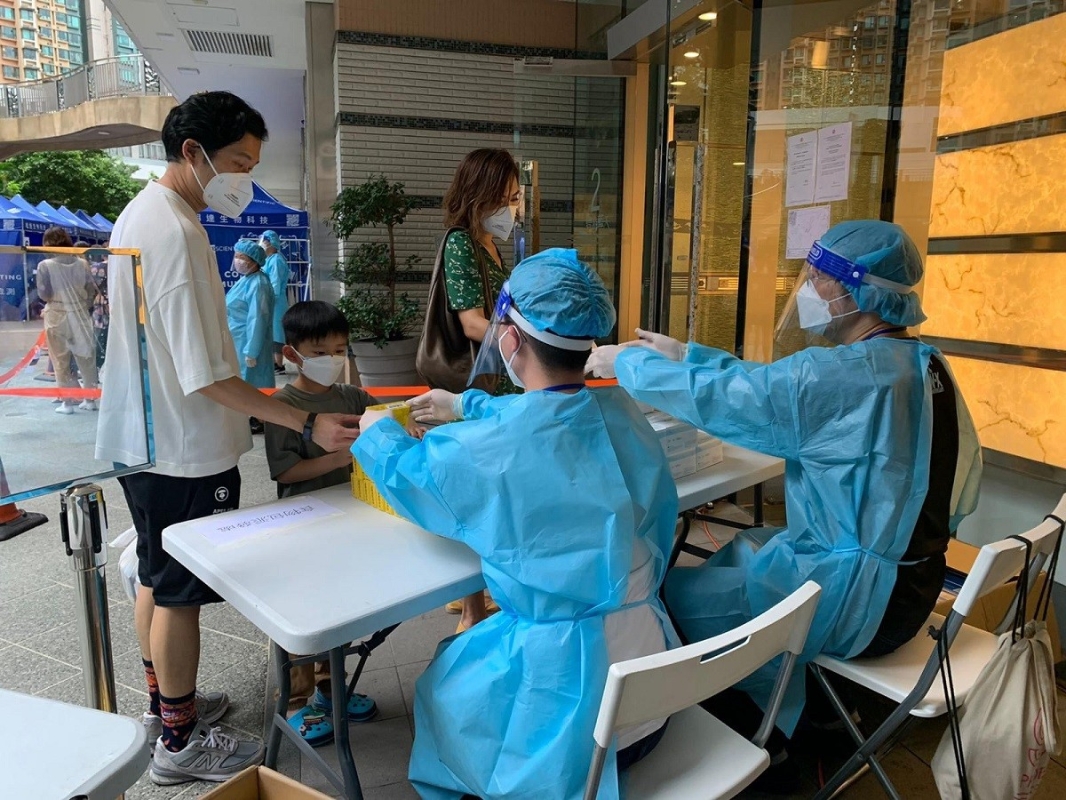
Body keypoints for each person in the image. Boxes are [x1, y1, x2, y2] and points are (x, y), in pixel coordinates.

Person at [587, 220, 982, 757]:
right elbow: (774, 390)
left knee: (666, 601)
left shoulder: (841, 376)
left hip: (856, 605)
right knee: (747, 545)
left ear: (856, 291)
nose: (808, 291)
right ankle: (802, 696)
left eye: (818, 279)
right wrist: (687, 356)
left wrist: (631, 363)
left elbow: (740, 399)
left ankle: (767, 723)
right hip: (916, 585)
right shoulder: (924, 363)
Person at [96, 90, 360, 786]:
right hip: (181, 449)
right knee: (179, 593)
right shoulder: (176, 232)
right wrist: (305, 420)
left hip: (145, 436)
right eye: (239, 163)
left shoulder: (146, 214)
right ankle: (179, 745)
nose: (244, 178)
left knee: (156, 573)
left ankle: (166, 708)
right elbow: (207, 375)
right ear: (193, 153)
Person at [355, 249, 679, 800]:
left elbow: (414, 476)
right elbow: (550, 413)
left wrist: (374, 431)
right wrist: (469, 405)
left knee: (442, 684)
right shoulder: (623, 413)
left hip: (574, 729)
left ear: (509, 339)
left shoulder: (484, 453)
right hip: (653, 697)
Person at [263, 300, 380, 746]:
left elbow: (384, 419)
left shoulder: (352, 396)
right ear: (292, 353)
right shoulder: (285, 406)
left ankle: (332, 690)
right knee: (302, 613)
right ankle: (297, 699)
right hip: (303, 528)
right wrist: (340, 457)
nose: (332, 359)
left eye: (339, 350)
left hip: (349, 520)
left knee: (340, 609)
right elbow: (287, 472)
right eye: (319, 352)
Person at [436, 147, 522, 632]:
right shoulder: (461, 243)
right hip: (480, 384)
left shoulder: (489, 243)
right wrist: (527, 343)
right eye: (504, 197)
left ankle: (478, 593)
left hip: (500, 381)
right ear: (479, 194)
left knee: (494, 491)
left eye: (514, 198)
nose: (511, 208)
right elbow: (471, 323)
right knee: (478, 493)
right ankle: (470, 612)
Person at [35, 227, 99, 414]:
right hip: (80, 313)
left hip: (56, 314)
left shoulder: (45, 265)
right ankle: (90, 399)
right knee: (86, 359)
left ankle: (67, 402)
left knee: (60, 361)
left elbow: (44, 294)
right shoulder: (82, 263)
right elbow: (90, 291)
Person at [225, 239, 275, 435]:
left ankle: (260, 418)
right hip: (239, 339)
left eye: (242, 257)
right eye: (236, 256)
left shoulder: (258, 284)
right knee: (245, 381)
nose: (237, 260)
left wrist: (251, 351)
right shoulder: (247, 280)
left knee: (255, 382)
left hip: (250, 341)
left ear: (254, 261)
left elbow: (258, 319)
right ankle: (252, 416)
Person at [259, 230, 291, 374]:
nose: (262, 244)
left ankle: (279, 364)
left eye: (264, 241)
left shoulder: (277, 260)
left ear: (271, 243)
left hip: (276, 302)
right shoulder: (270, 259)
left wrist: (269, 298)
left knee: (277, 332)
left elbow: (275, 284)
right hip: (271, 300)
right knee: (271, 332)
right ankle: (273, 363)